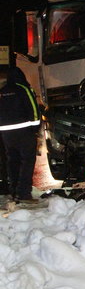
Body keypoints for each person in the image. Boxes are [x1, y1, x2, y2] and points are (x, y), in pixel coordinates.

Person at [0, 67, 41, 203]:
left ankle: (13, 190)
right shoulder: (23, 89)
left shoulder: (2, 91)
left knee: (12, 161)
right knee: (27, 161)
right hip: (24, 131)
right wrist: (36, 126)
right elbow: (33, 108)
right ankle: (23, 193)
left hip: (6, 134)